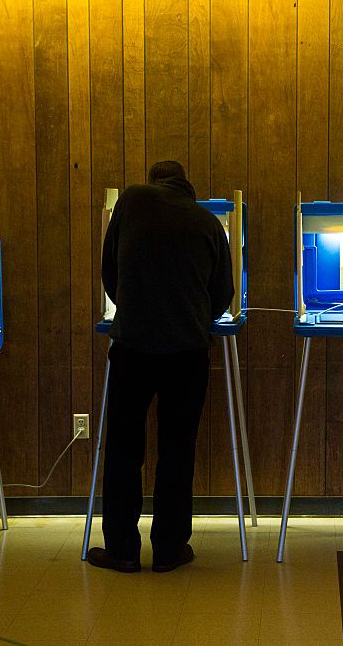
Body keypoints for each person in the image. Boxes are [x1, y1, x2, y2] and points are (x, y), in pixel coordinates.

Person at [87, 160, 234, 573]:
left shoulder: (132, 199)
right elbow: (223, 293)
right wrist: (190, 317)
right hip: (187, 353)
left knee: (123, 449)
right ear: (188, 185)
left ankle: (122, 550)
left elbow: (109, 270)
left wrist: (133, 308)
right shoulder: (208, 222)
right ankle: (169, 550)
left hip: (133, 346)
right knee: (177, 450)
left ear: (154, 180)